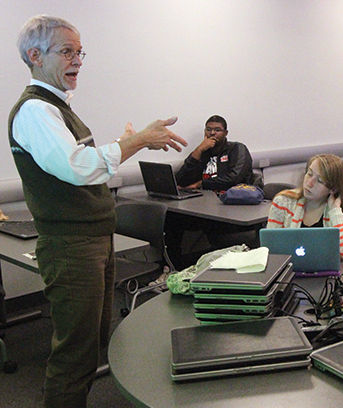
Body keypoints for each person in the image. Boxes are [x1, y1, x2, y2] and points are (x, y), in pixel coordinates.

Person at [9, 15, 187, 407]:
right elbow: (75, 167)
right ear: (35, 56)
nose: (77, 61)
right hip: (72, 247)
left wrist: (124, 143)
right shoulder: (36, 110)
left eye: (80, 52)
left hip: (90, 241)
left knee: (90, 346)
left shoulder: (56, 108)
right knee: (76, 354)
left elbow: (79, 160)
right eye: (67, 51)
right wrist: (136, 141)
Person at [267, 154, 343, 260]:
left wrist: (335, 211)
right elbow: (270, 247)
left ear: (333, 189)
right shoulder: (283, 202)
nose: (309, 183)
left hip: (326, 273)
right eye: (309, 174)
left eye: (320, 181)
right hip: (289, 270)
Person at [175, 115, 255, 191]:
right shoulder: (203, 151)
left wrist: (201, 184)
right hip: (204, 198)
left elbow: (234, 179)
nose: (212, 133)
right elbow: (181, 181)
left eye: (217, 130)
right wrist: (198, 150)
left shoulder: (237, 148)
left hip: (233, 197)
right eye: (208, 129)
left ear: (225, 133)